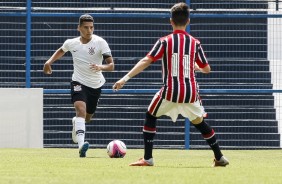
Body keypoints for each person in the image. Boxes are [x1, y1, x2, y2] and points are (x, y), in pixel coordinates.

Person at [113, 2, 229, 167]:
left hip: (170, 91)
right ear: (188, 21)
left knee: (151, 115)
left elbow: (147, 60)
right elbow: (207, 69)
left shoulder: (164, 41)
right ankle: (219, 158)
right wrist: (196, 67)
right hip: (191, 92)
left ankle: (148, 158)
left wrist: (125, 78)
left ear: (171, 21)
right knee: (200, 123)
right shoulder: (195, 43)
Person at [43, 14, 114, 157]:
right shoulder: (72, 43)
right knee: (80, 109)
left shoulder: (100, 42)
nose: (89, 30)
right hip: (78, 82)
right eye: (86, 27)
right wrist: (48, 62)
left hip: (95, 85)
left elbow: (111, 65)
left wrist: (101, 67)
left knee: (87, 118)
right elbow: (61, 50)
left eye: (91, 27)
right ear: (79, 28)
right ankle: (82, 146)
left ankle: (76, 123)